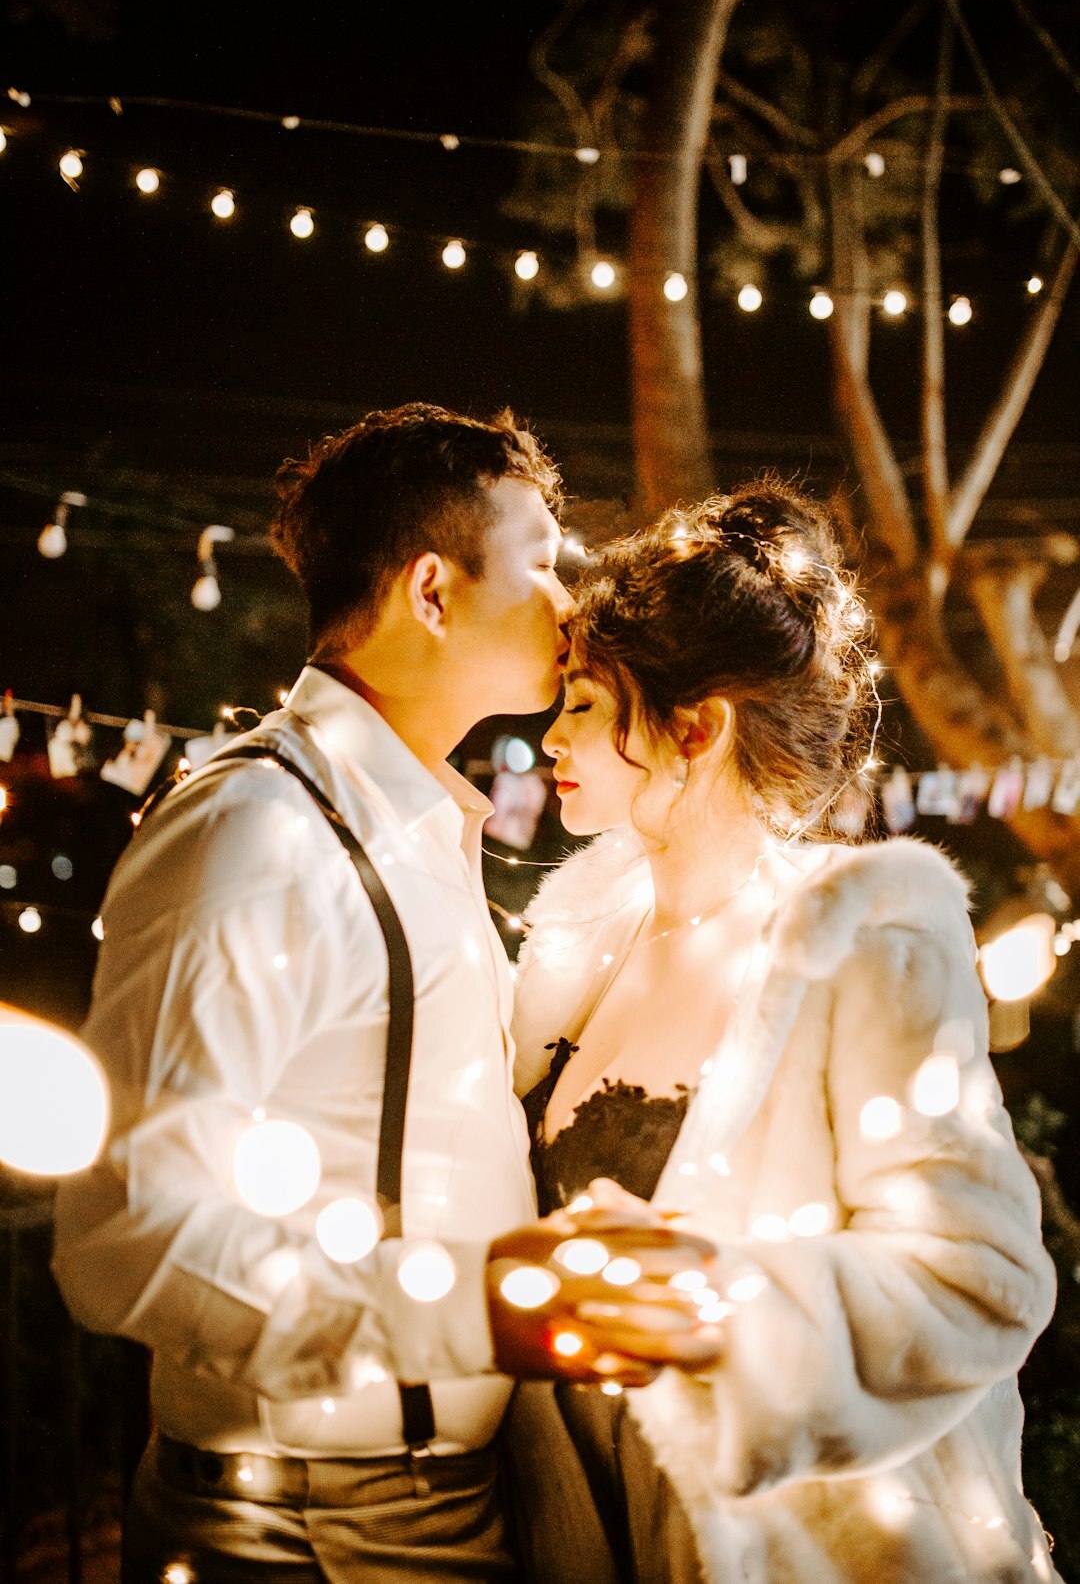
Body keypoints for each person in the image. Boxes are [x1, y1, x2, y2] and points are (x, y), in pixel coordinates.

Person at [52, 403, 720, 1584]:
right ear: (431, 591)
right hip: (304, 1527)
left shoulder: (421, 828)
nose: (570, 605)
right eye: (541, 563)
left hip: (440, 1500)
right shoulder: (256, 832)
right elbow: (128, 1236)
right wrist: (475, 1311)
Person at [510, 480, 1061, 1583]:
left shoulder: (861, 940)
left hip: (809, 1548)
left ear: (696, 726)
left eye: (584, 703)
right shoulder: (576, 942)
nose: (551, 734)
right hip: (589, 1530)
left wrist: (723, 1307)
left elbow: (984, 1277)